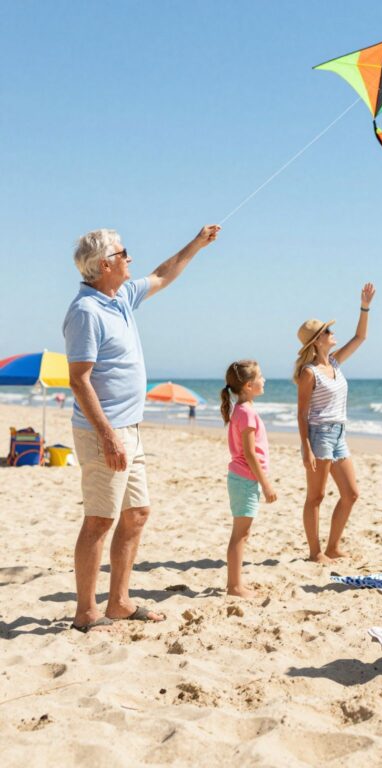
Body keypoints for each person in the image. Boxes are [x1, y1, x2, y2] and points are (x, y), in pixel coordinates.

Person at [64, 224, 220, 632]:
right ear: (104, 264)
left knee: (137, 514)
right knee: (100, 519)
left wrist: (198, 243)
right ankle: (85, 613)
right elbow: (78, 380)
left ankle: (118, 602)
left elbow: (165, 273)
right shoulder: (86, 311)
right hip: (105, 432)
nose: (130, 258)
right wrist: (108, 435)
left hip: (130, 428)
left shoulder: (122, 299)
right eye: (123, 252)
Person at [295, 283, 375, 563]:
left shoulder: (335, 364)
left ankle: (332, 546)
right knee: (316, 497)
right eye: (327, 332)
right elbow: (302, 412)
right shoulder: (309, 372)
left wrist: (364, 307)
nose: (332, 334)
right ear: (317, 341)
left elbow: (360, 336)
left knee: (351, 493)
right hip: (319, 435)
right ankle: (315, 552)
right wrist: (305, 446)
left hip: (339, 433)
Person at [221, 360, 277, 598]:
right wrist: (266, 485)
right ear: (248, 385)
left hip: (243, 479)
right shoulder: (245, 413)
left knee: (242, 533)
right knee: (240, 535)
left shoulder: (244, 410)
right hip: (245, 480)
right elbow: (250, 453)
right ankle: (234, 586)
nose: (264, 380)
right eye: (260, 376)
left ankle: (236, 583)